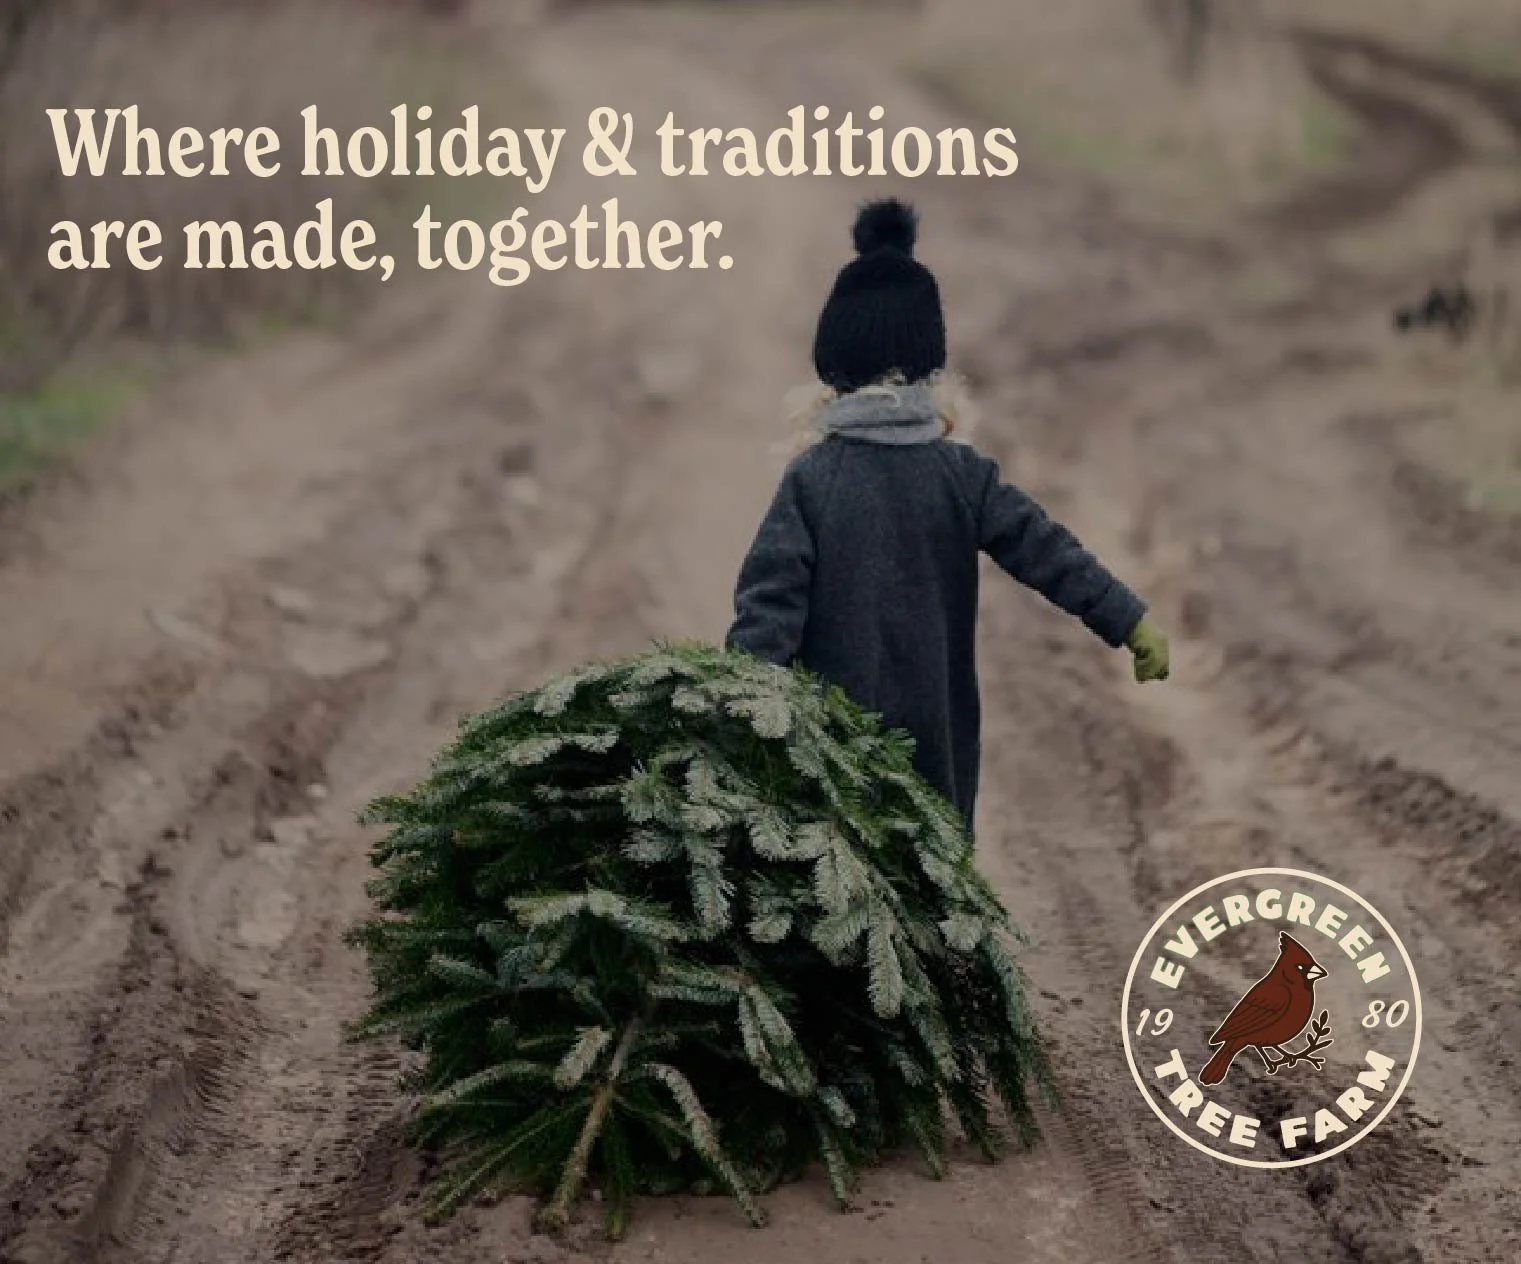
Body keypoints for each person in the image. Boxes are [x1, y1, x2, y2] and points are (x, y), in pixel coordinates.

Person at [725, 197, 1170, 835]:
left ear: (834, 363)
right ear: (930, 364)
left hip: (827, 745)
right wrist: (1128, 620)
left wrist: (741, 702)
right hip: (937, 744)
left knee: (836, 883)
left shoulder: (812, 479)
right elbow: (1046, 551)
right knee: (933, 889)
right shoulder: (961, 476)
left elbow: (768, 604)